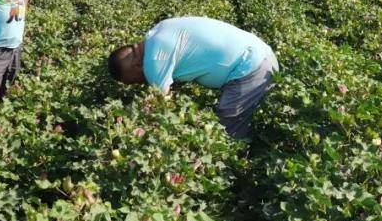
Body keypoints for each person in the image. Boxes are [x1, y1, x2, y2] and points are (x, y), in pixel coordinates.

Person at [107, 17, 279, 140]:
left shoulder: (153, 60)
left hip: (251, 67)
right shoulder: (157, 32)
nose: (140, 83)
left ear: (136, 66)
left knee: (225, 132)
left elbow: (160, 107)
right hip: (259, 53)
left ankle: (229, 181)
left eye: (134, 81)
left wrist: (135, 130)